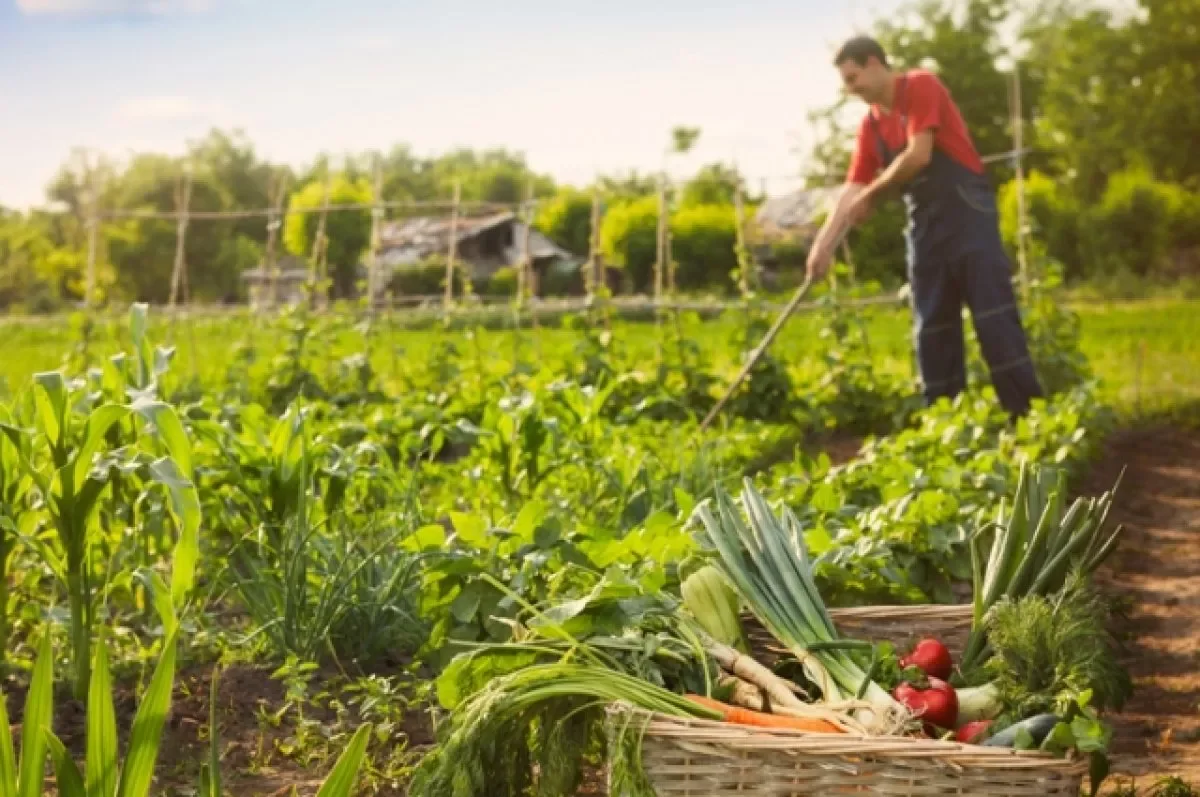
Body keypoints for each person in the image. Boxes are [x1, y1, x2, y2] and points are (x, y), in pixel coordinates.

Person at [806, 35, 1043, 418]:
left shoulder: (919, 85)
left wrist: (874, 195)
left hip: (966, 211)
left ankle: (1029, 419)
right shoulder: (871, 127)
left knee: (992, 316)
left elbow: (919, 155)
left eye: (853, 78)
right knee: (933, 327)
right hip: (925, 223)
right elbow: (853, 188)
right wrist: (823, 246)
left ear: (873, 63)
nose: (851, 90)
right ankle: (947, 427)